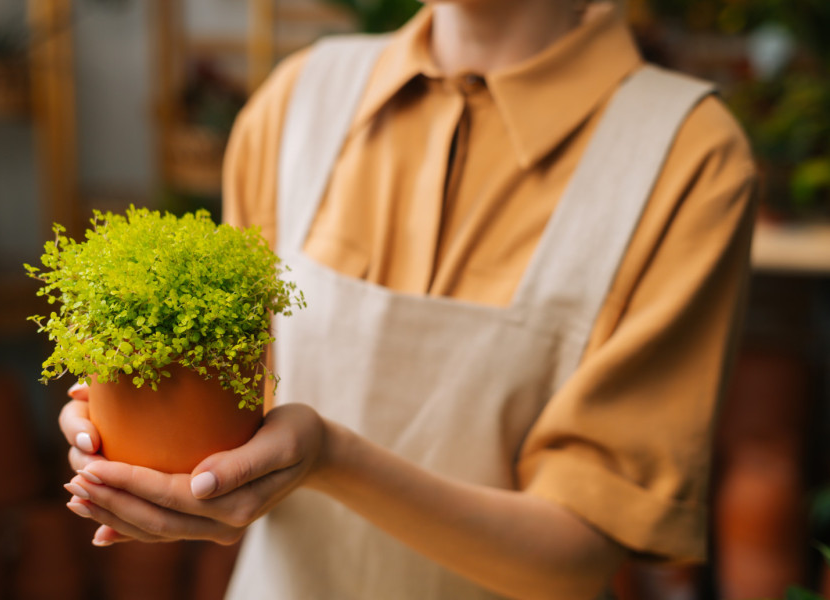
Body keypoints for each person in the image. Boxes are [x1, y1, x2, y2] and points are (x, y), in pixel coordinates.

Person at [59, 0, 757, 598]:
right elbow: (230, 422)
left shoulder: (686, 157)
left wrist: (332, 459)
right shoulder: (298, 102)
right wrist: (142, 449)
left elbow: (581, 554)